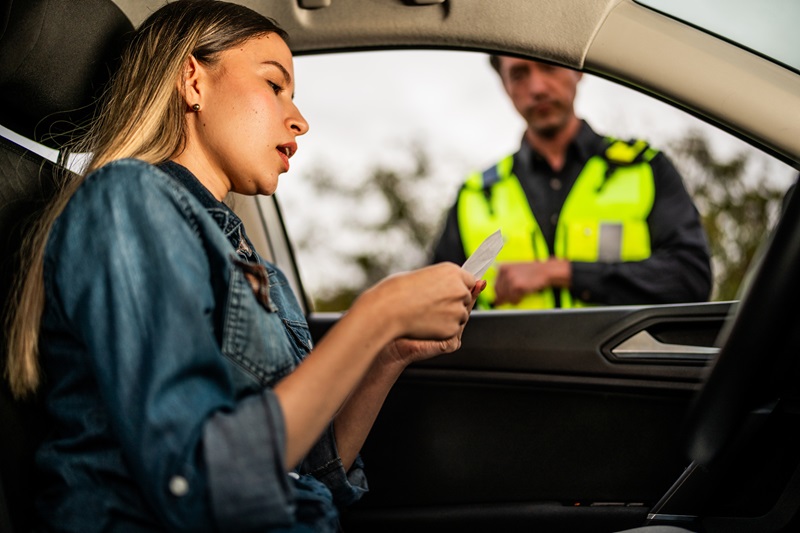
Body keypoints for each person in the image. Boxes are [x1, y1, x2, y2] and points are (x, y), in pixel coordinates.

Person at [4, 1, 484, 531]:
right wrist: (378, 314)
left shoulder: (258, 269)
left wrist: (390, 352)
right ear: (193, 81)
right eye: (275, 85)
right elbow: (201, 481)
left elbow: (310, 475)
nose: (299, 119)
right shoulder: (127, 200)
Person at [432, 56, 712, 309]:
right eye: (518, 74)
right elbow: (434, 304)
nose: (538, 87)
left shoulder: (645, 167)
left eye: (549, 65)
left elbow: (691, 279)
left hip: (626, 366)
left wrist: (559, 272)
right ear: (504, 85)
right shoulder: (474, 195)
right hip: (510, 366)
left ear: (578, 70)